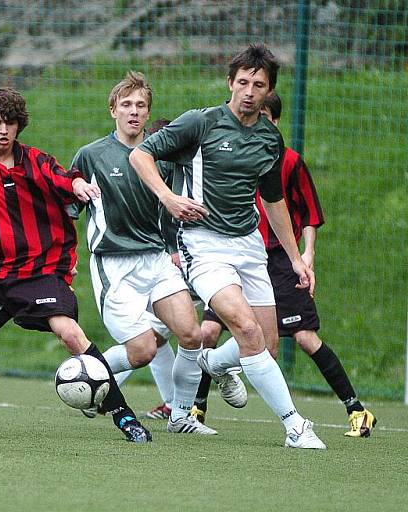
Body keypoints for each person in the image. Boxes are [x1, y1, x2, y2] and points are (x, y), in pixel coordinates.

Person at [0, 87, 152, 443]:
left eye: (11, 122)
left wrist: (79, 184)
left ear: (20, 127)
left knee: (71, 335)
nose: (3, 130)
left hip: (40, 273)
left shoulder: (35, 161)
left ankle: (123, 415)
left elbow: (66, 178)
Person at [129, 43, 327, 449]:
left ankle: (213, 363)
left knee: (266, 348)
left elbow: (274, 201)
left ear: (268, 89)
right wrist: (169, 197)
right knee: (247, 329)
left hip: (249, 245)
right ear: (230, 83)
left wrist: (295, 259)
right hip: (203, 245)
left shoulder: (270, 138)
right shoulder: (200, 123)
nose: (249, 91)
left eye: (258, 84)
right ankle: (295, 426)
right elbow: (141, 156)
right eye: (242, 82)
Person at [193, 92, 376, 438]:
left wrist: (305, 255)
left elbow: (308, 212)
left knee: (303, 338)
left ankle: (356, 408)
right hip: (230, 254)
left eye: (265, 116)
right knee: (209, 332)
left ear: (274, 123)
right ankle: (195, 408)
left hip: (277, 261)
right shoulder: (223, 151)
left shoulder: (288, 160)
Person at [69, 73, 215, 435]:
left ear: (148, 113)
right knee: (144, 350)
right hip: (114, 266)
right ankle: (81, 375)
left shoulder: (158, 157)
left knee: (191, 334)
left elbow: (170, 213)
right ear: (113, 110)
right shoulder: (91, 155)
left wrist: (176, 250)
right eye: (127, 105)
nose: (134, 112)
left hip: (155, 259)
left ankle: (181, 416)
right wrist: (64, 266)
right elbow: (65, 210)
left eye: (141, 106)